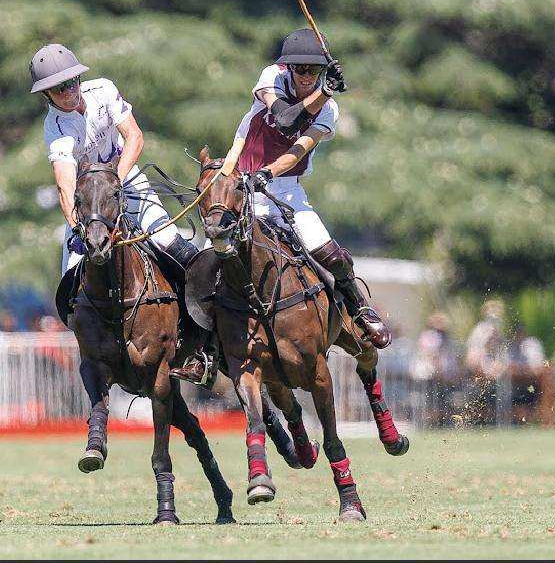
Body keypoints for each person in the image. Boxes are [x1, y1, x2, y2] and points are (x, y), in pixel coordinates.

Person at [171, 28, 390, 385]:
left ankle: (360, 310)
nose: (305, 75)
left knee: (333, 256)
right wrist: (324, 90)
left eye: (313, 70)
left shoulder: (329, 110)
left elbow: (300, 147)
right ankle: (202, 352)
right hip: (240, 184)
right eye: (299, 68)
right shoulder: (271, 78)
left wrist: (269, 172)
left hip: (287, 189)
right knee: (210, 263)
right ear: (288, 67)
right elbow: (286, 118)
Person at [29, 45, 204, 367]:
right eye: (58, 89)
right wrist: (76, 226)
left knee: (175, 246)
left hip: (125, 177)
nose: (68, 92)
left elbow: (134, 137)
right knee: (69, 283)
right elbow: (65, 185)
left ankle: (202, 336)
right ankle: (95, 355)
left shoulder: (103, 90)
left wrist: (115, 182)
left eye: (71, 83)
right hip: (88, 201)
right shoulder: (55, 127)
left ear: (79, 79)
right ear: (47, 95)